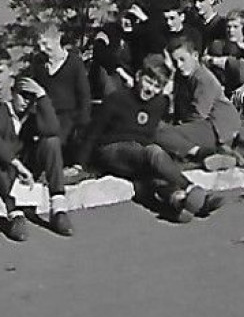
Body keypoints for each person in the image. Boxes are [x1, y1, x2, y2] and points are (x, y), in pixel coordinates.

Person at [86, 56, 226, 222]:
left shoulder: (159, 103)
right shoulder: (116, 99)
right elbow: (93, 132)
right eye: (148, 81)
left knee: (150, 177)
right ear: (138, 76)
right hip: (112, 149)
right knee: (154, 152)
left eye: (156, 86)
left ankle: (177, 202)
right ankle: (190, 188)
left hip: (137, 155)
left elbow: (150, 132)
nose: (150, 89)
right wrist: (82, 163)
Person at [0, 58, 73, 238]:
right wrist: (17, 165)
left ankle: (58, 207)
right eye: (22, 95)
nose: (26, 101)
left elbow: (52, 130)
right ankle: (15, 215)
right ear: (13, 93)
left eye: (31, 97)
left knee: (51, 142)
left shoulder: (34, 115)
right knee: (0, 156)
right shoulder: (1, 112)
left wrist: (42, 96)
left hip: (24, 172)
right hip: (1, 174)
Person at [156, 39, 241, 170]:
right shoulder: (181, 75)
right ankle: (205, 156)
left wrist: (178, 127)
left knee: (161, 134)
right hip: (204, 124)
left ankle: (213, 153)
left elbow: (198, 114)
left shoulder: (203, 79)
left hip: (218, 126)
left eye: (182, 59)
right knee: (163, 132)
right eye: (174, 61)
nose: (178, 65)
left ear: (195, 56)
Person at [29, 25, 92, 170]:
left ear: (57, 39)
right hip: (44, 114)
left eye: (46, 44)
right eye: (39, 45)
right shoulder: (39, 64)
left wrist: (83, 119)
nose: (43, 49)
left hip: (68, 115)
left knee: (56, 140)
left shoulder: (74, 62)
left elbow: (84, 94)